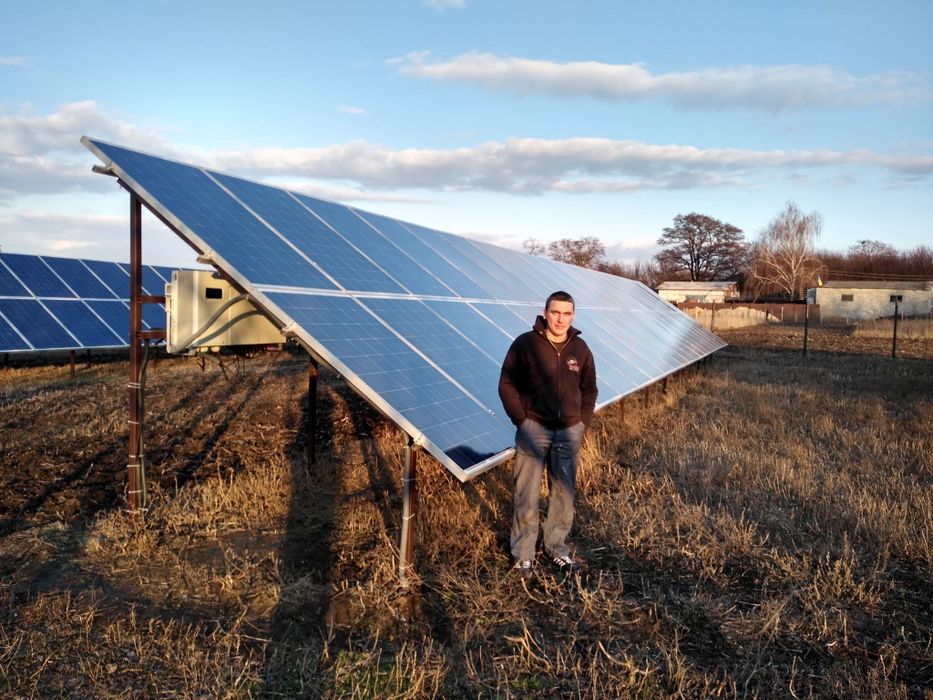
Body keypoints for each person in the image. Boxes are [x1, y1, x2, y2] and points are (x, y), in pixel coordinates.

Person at [498, 290, 597, 577]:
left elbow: (589, 389)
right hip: (534, 430)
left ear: (573, 316)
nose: (561, 319)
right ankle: (523, 555)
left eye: (567, 314)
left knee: (563, 494)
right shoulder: (525, 344)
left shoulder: (580, 348)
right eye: (556, 312)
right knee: (526, 494)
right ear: (545, 312)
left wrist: (582, 423)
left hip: (569, 433)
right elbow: (506, 384)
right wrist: (522, 421)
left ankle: (557, 548)